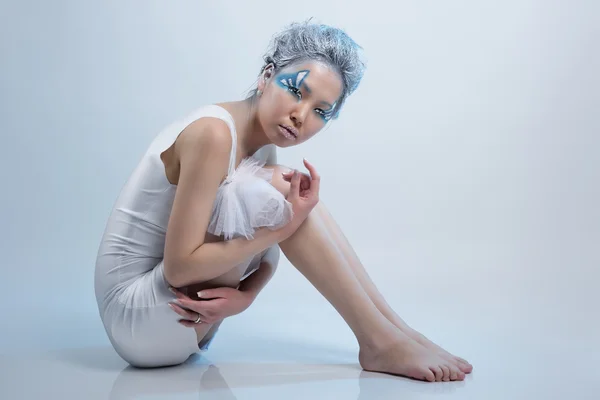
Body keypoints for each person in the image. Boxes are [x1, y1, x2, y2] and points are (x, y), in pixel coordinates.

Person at [94, 20, 473, 382]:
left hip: (184, 316)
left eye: (321, 112)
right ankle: (379, 342)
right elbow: (179, 268)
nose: (301, 116)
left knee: (292, 192)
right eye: (296, 91)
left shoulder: (261, 147)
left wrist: (248, 295)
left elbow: (268, 251)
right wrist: (284, 224)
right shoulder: (213, 134)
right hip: (138, 318)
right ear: (265, 76)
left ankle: (395, 331)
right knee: (286, 193)